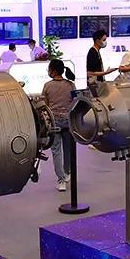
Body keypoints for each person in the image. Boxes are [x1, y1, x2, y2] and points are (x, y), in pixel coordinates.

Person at [42, 59, 77, 191]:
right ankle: (67, 173)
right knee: (68, 149)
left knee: (56, 151)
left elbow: (45, 106)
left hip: (54, 123)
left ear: (53, 71)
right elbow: (75, 103)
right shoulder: (71, 85)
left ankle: (61, 180)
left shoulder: (47, 86)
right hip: (69, 122)